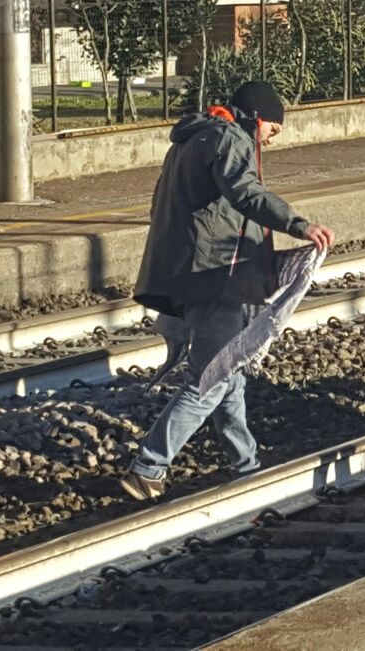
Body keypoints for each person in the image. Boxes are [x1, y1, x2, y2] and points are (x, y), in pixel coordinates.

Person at [122, 81, 335, 501]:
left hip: (192, 275)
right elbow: (247, 194)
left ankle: (246, 465)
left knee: (229, 374)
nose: (272, 140)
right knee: (210, 380)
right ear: (257, 118)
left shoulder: (191, 140)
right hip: (218, 277)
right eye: (273, 130)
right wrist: (299, 225)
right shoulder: (229, 139)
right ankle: (149, 466)